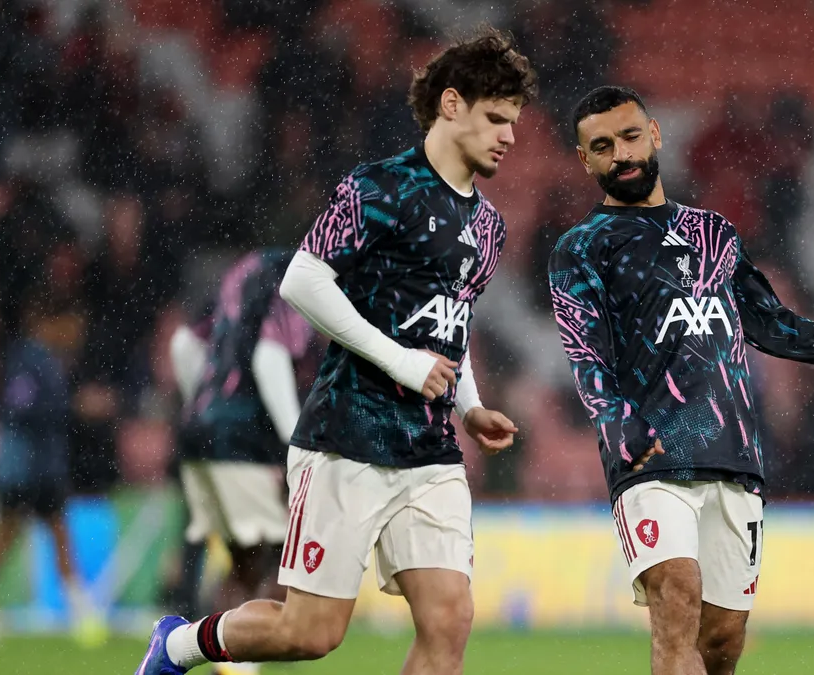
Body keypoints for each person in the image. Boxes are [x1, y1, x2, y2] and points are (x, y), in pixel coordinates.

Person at [136, 25, 536, 675]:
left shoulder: (488, 226)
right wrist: (399, 361)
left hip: (431, 452)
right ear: (452, 105)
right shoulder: (378, 188)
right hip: (347, 437)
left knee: (449, 619)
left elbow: (449, 327)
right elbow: (303, 281)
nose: (510, 136)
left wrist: (470, 406)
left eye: (514, 121)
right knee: (310, 632)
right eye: (497, 117)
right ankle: (180, 644)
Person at [548, 86, 814, 675]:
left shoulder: (714, 234)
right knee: (676, 597)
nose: (621, 154)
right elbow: (585, 355)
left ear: (654, 134)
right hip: (650, 455)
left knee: (723, 641)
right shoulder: (582, 247)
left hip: (733, 457)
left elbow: (777, 328)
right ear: (585, 160)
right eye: (602, 146)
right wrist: (618, 428)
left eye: (629, 136)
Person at [169, 249, 315, 674]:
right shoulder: (301, 280)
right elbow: (269, 357)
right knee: (282, 557)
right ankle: (230, 659)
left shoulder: (246, 274)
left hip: (202, 433)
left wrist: (205, 405)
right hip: (245, 437)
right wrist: (294, 444)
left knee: (248, 560)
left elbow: (183, 344)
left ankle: (222, 652)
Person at [0, 292, 106, 647]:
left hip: (38, 466)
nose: (76, 332)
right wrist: (73, 406)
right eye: (71, 323)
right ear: (50, 322)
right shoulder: (29, 359)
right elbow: (20, 408)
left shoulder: (45, 359)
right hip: (26, 468)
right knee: (21, 537)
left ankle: (81, 614)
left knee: (43, 536)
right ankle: (81, 614)